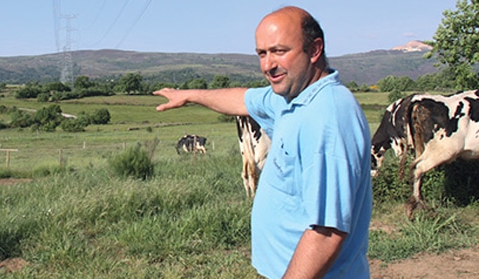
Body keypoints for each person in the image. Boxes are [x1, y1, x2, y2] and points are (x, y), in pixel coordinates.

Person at [154, 6, 372, 279]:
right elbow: (243, 99)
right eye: (262, 53)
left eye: (280, 51)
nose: (268, 65)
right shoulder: (292, 98)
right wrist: (189, 95)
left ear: (315, 49)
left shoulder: (327, 116)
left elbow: (327, 232)